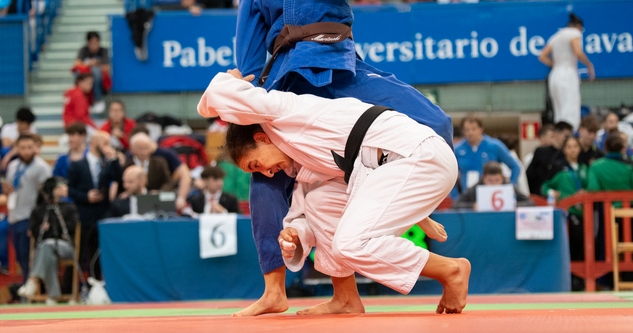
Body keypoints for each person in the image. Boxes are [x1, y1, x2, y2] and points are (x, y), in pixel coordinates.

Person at [233, 0, 453, 316]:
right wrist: (248, 96)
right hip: (290, 79)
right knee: (275, 179)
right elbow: (248, 55)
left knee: (434, 121)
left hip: (341, 65)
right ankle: (276, 290)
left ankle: (413, 205)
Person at [200, 70, 470, 315]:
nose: (268, 174)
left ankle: (450, 270)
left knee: (351, 243)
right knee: (320, 201)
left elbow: (219, 95)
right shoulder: (307, 158)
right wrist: (294, 233)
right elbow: (310, 208)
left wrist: (231, 81)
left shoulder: (284, 113)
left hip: (417, 157)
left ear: (261, 138)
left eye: (256, 165)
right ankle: (346, 298)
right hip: (398, 166)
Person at [67, 131, 120, 279]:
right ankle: (74, 285)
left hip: (102, 213)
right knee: (80, 251)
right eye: (105, 143)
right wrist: (86, 196)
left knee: (98, 251)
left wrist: (115, 160)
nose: (108, 147)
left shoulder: (108, 164)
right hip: (84, 214)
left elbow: (119, 179)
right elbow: (69, 190)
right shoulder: (77, 165)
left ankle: (96, 282)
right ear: (94, 143)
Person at [18, 177, 78, 304]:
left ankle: (33, 280)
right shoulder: (39, 210)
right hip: (45, 249)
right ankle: (53, 296)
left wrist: (53, 228)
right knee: (48, 253)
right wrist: (42, 228)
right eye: (60, 186)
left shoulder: (69, 208)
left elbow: (72, 227)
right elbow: (34, 232)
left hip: (65, 247)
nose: (65, 188)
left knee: (47, 245)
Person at [1, 134, 52, 281]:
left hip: (30, 216)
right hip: (14, 214)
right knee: (19, 255)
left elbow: (47, 196)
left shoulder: (42, 168)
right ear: (17, 148)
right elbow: (10, 187)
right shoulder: (13, 166)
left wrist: (40, 219)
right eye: (23, 148)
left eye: (30, 148)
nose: (26, 151)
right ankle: (26, 283)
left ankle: (29, 284)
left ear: (35, 148)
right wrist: (6, 190)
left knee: (27, 254)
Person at [538, 13, 596, 131]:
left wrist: (556, 64)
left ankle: (560, 132)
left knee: (559, 109)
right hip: (567, 73)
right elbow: (578, 52)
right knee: (570, 107)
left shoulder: (556, 36)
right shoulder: (574, 33)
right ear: (578, 26)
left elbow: (542, 56)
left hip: (555, 74)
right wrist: (589, 65)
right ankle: (570, 132)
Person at [542, 136, 588, 277]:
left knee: (585, 244)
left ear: (580, 149)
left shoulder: (584, 168)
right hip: (568, 211)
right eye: (569, 147)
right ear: (564, 150)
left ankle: (582, 277)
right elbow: (545, 187)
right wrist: (552, 193)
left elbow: (591, 186)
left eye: (575, 146)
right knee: (571, 242)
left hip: (585, 211)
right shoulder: (558, 168)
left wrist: (586, 192)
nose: (572, 150)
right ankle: (571, 276)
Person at [455, 115, 522, 192]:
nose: (470, 133)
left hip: (491, 193)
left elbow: (515, 166)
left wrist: (510, 188)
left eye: (474, 129)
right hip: (468, 194)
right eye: (467, 130)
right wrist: (455, 195)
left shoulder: (494, 146)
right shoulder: (458, 149)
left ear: (481, 129)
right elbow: (450, 174)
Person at [127, 132, 192, 206]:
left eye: (146, 147)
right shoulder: (129, 160)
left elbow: (184, 174)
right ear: (132, 149)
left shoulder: (163, 157)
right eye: (140, 148)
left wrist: (181, 198)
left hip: (158, 198)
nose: (144, 152)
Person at [453, 161, 534, 208]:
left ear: (503, 178)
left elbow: (530, 203)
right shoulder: (475, 188)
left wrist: (513, 205)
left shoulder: (509, 187)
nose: (494, 184)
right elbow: (456, 205)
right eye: (490, 180)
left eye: (497, 180)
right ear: (483, 178)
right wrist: (473, 206)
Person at [76, 31, 110, 112]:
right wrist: (89, 64)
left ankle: (98, 99)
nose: (95, 44)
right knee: (78, 73)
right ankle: (82, 99)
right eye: (92, 42)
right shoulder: (84, 50)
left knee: (96, 71)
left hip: (99, 78)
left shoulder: (103, 51)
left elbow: (107, 67)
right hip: (86, 74)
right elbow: (77, 64)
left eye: (97, 42)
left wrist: (97, 65)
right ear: (88, 43)